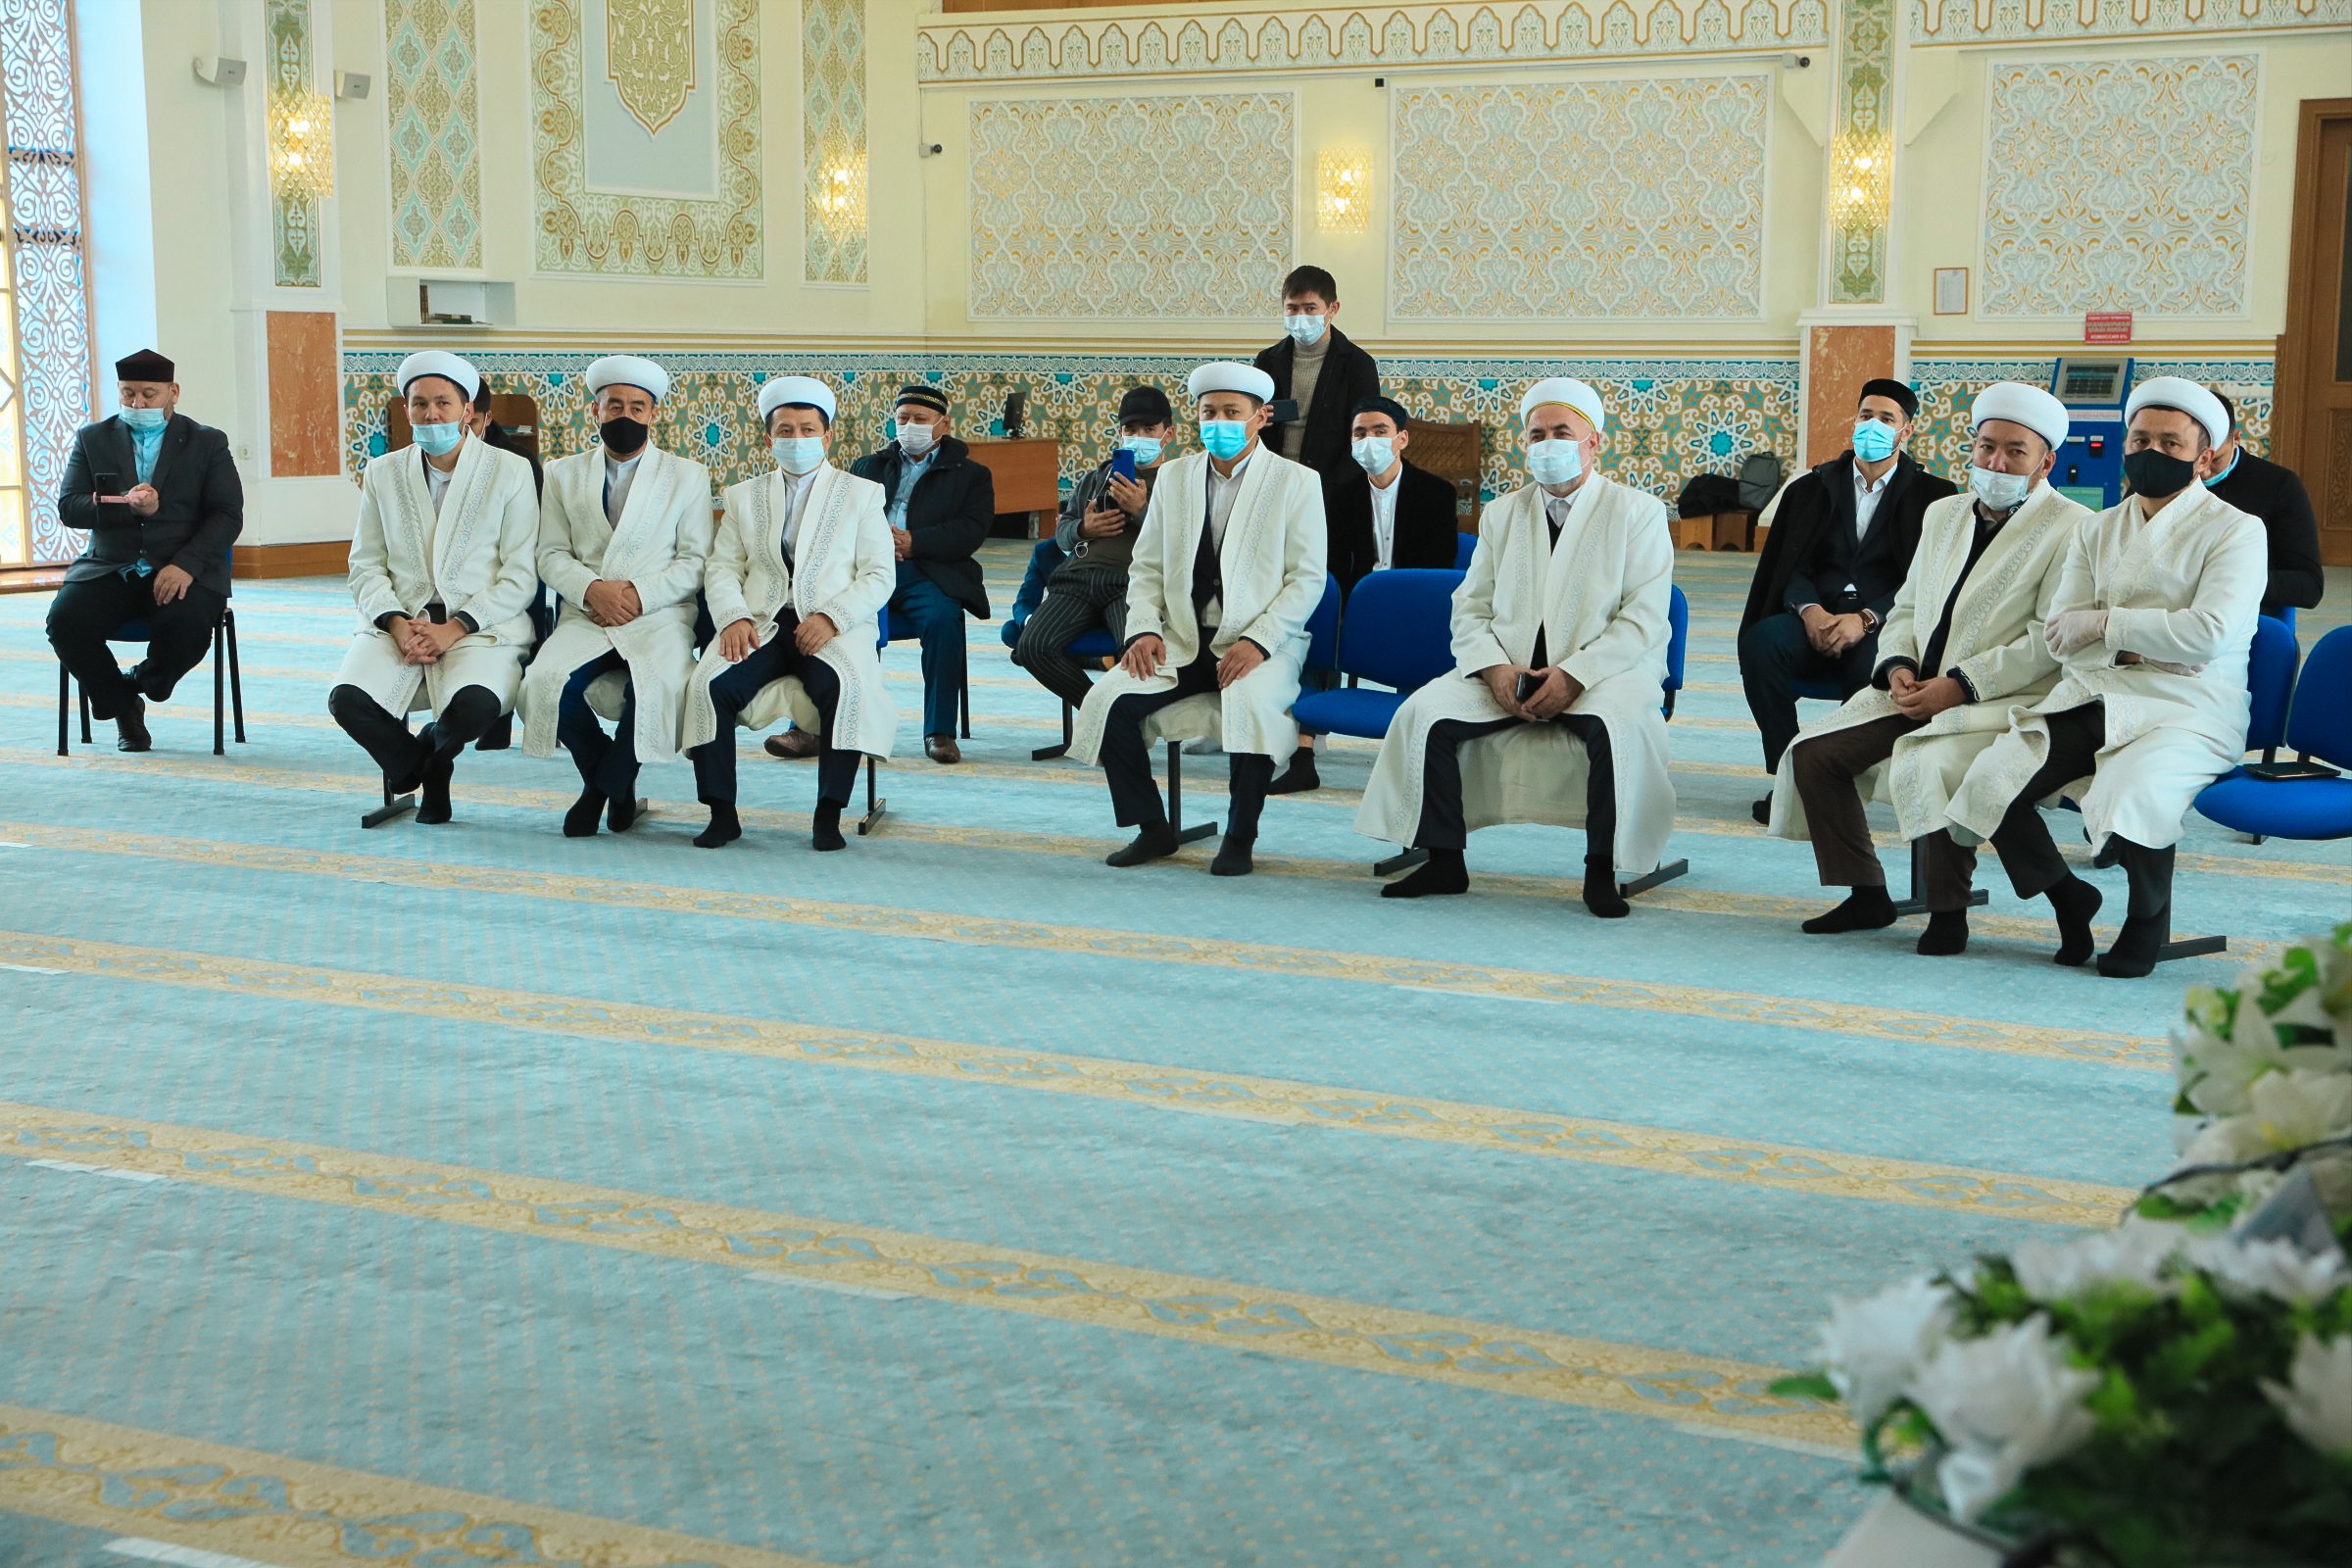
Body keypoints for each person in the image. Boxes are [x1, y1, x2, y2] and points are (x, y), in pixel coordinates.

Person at [1946, 377, 2267, 978]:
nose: (2152, 452)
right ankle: (2069, 895)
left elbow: (2210, 634)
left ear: (2204, 458)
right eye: (2140, 440)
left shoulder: (2236, 530)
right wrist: (2146, 645)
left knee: (2134, 787)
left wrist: (2105, 625)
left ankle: (2147, 917)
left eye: (2170, 443)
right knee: (1992, 780)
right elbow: (2060, 634)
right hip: (2097, 692)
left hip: (2192, 704)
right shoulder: (2095, 529)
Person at [1769, 383, 2092, 953]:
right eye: (1986, 446)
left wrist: (1960, 686)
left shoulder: (2075, 528)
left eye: (2015, 451)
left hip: (2001, 699)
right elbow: (1908, 604)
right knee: (1813, 754)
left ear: (2046, 463)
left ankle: (1950, 910)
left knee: (1930, 764)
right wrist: (1896, 664)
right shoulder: (1943, 514)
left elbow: (2048, 640)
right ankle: (1866, 892)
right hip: (1918, 685)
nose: (1996, 463)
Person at [1354, 377, 1676, 917]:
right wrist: (1493, 669)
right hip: (1510, 667)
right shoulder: (1502, 513)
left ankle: (1600, 869)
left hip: (1607, 672)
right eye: (1537, 434)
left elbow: (1643, 617)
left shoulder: (1636, 512)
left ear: (1594, 441)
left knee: (1616, 728)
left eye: (1562, 433)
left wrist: (1575, 675)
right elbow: (1470, 606)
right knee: (1424, 714)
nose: (1548, 444)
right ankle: (1444, 860)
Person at [1069, 362, 1328, 878]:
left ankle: (1239, 836)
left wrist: (1259, 641)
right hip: (1183, 638)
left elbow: (1307, 579)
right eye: (1210, 412)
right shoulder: (1175, 477)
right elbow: (1147, 567)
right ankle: (1153, 827)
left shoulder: (1296, 481)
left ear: (1261, 418)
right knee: (1107, 700)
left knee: (1252, 706)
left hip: (1259, 641)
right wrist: (1143, 628)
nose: (1219, 423)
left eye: (1232, 412)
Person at [680, 376, 896, 852]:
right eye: (785, 430)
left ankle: (828, 813)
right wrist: (733, 617)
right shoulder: (743, 496)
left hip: (833, 626)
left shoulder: (862, 494)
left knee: (844, 689)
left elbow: (880, 574)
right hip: (761, 621)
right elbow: (722, 567)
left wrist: (832, 618)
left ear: (827, 436)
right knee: (709, 686)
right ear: (768, 439)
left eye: (807, 429)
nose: (797, 439)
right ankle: (721, 812)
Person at [327, 352, 539, 823]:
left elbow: (521, 574)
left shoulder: (510, 471)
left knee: (476, 708)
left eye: (443, 402)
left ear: (467, 410)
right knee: (347, 701)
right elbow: (364, 565)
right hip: (400, 624)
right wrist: (396, 623)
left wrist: (455, 627)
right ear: (407, 410)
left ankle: (432, 754)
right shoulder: (383, 472)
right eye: (419, 403)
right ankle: (420, 768)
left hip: (481, 627)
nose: (431, 414)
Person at [1738, 378, 1958, 820]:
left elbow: (1926, 579)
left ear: (1907, 431)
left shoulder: (1935, 498)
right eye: (1865, 415)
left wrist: (1867, 618)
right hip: (1815, 618)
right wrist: (1810, 611)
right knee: (1761, 643)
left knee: (1875, 669)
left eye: (1886, 419)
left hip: (1886, 625)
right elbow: (1789, 565)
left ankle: (1840, 779)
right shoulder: (1811, 488)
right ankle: (1791, 774)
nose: (1872, 425)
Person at [517, 356, 714, 837]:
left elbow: (695, 561)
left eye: (637, 407)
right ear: (596, 411)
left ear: (653, 414)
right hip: (587, 611)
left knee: (658, 685)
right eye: (615, 406)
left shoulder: (687, 475)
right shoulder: (561, 473)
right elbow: (550, 553)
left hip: (660, 613)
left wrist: (637, 596)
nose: (626, 416)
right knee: (540, 683)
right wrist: (592, 591)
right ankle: (616, 784)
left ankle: (597, 793)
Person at [47, 349, 244, 752]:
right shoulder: (93, 438)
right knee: (65, 622)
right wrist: (125, 503)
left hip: (181, 567)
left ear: (173, 392)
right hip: (111, 566)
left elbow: (227, 515)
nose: (137, 404)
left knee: (189, 628)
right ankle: (124, 706)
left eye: (149, 395)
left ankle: (143, 682)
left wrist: (186, 565)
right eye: (128, 394)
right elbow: (69, 507)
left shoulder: (207, 442)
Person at [1266, 395, 1462, 796]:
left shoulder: (1436, 493)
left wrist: (1389, 598)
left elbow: (1437, 565)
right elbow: (1333, 564)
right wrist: (1346, 607)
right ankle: (1303, 757)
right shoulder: (1339, 494)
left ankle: (1416, 755)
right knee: (1314, 625)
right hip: (1358, 606)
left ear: (1402, 438)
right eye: (1360, 433)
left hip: (1412, 604)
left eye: (1379, 431)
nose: (1369, 440)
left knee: (1419, 648)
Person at [844, 384, 992, 764]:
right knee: (827, 616)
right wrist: (875, 543)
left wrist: (915, 542)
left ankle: (939, 731)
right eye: (903, 418)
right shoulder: (868, 467)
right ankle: (809, 726)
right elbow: (839, 518)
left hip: (926, 571)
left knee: (943, 619)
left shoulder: (971, 474)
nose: (910, 426)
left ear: (944, 424)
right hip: (865, 570)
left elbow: (971, 530)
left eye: (920, 419)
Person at [1013, 385, 1174, 711]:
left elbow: (1183, 545)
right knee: (1031, 647)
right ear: (1120, 432)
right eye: (1131, 429)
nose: (1139, 436)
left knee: (1137, 652)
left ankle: (1113, 724)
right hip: (1078, 579)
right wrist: (1084, 529)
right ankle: (1101, 715)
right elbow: (1062, 536)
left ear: (1168, 434)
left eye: (1149, 429)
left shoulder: (1177, 482)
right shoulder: (1097, 478)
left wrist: (1141, 511)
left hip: (1131, 584)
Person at [1251, 266, 1380, 487]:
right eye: (1292, 308)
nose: (1300, 316)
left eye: (1310, 308)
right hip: (1272, 477)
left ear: (1332, 308)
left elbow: (1366, 433)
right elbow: (1251, 422)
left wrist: (1331, 486)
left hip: (1330, 485)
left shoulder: (1358, 364)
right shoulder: (1267, 360)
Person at [2202, 391, 2323, 618]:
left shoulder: (2278, 485)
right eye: (2197, 460)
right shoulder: (2162, 481)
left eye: (2215, 459)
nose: (2204, 472)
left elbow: (2309, 587)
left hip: (2247, 617)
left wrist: (2226, 579)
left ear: (2237, 438)